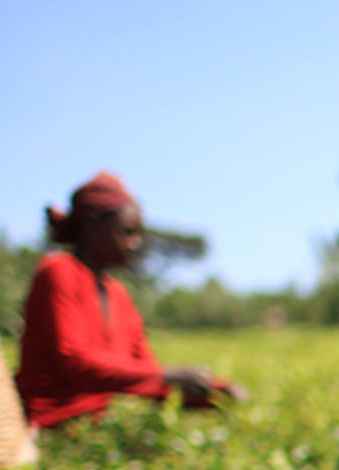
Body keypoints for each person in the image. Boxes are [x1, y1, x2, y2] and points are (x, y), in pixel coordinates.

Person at [14, 171, 242, 429]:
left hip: (97, 427)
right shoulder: (58, 271)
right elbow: (75, 362)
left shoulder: (118, 294)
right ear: (93, 224)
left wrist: (213, 391)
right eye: (127, 232)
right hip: (48, 425)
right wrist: (170, 375)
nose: (135, 244)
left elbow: (144, 376)